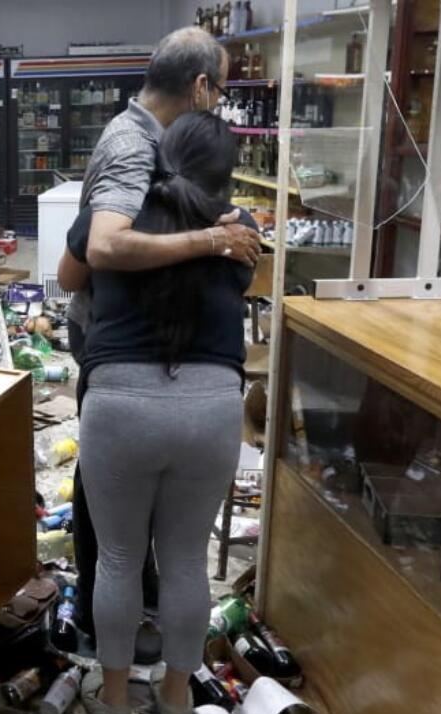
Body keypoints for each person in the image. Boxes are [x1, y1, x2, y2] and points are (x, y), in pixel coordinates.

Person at [56, 26, 261, 661]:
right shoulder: (133, 145)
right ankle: (125, 641)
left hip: (136, 362)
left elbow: (77, 260)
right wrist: (213, 240)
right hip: (122, 347)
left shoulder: (157, 152)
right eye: (221, 89)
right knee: (123, 531)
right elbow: (104, 247)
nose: (220, 101)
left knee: (128, 529)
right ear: (201, 87)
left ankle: (126, 641)